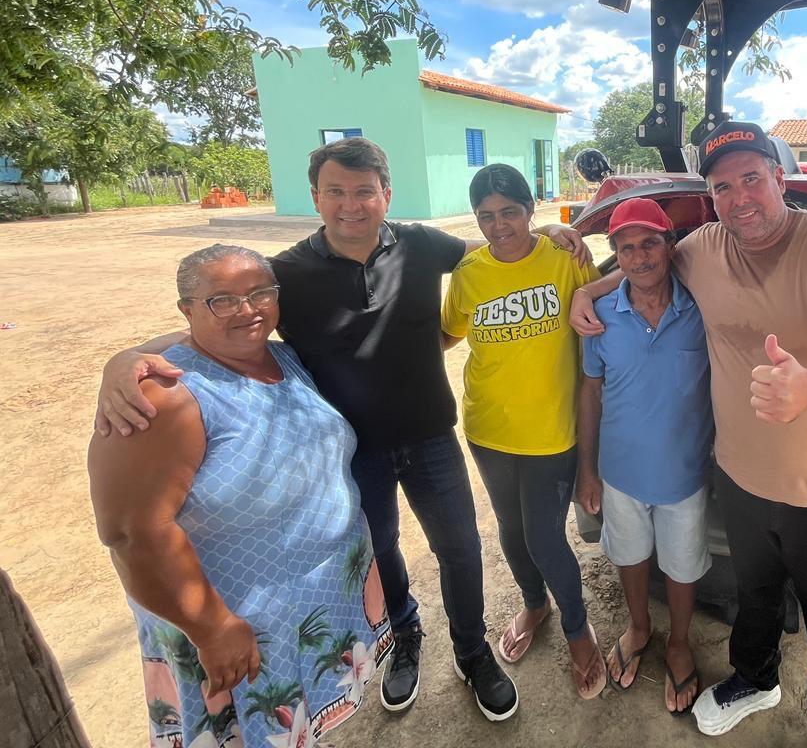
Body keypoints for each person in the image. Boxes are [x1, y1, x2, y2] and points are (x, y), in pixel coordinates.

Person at [95, 137, 588, 722]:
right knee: (380, 551)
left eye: (364, 191)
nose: (351, 205)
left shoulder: (423, 244)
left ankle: (473, 652)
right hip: (352, 450)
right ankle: (406, 641)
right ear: (316, 197)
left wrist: (556, 233)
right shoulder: (288, 272)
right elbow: (226, 317)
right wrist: (124, 358)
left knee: (460, 549)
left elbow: (498, 247)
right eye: (336, 192)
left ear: (386, 194)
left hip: (431, 435)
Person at [570, 121, 807, 748]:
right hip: (742, 478)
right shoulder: (704, 247)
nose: (739, 197)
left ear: (779, 178)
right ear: (712, 198)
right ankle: (756, 679)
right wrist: (591, 286)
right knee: (756, 595)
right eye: (723, 187)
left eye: (751, 178)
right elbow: (647, 264)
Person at [89, 245, 391, 748]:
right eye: (221, 300)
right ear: (187, 309)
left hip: (305, 606)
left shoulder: (283, 356)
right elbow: (130, 533)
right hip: (235, 628)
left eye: (259, 293)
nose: (247, 309)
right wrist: (210, 628)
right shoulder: (165, 398)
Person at [441, 164, 608, 699]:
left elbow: (611, 294)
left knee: (542, 535)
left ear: (529, 211)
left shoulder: (565, 258)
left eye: (510, 212)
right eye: (486, 216)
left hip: (552, 434)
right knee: (511, 531)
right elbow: (449, 332)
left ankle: (579, 632)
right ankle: (536, 605)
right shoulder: (469, 271)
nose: (499, 226)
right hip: (488, 429)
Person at [575, 198, 714, 714]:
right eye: (626, 248)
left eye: (649, 243)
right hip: (621, 473)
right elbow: (590, 391)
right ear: (616, 255)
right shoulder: (599, 316)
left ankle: (678, 642)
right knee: (630, 557)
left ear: (669, 246)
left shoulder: (701, 308)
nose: (639, 257)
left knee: (682, 566)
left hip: (685, 474)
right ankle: (639, 627)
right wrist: (587, 469)